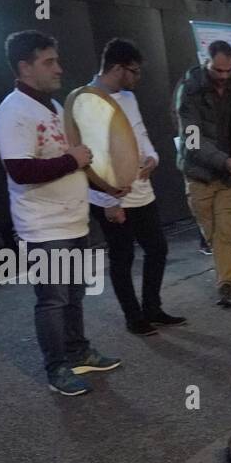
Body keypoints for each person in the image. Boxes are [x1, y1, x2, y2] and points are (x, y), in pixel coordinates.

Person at [0, 30, 122, 396]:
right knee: (53, 300)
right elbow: (20, 170)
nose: (58, 69)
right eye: (49, 62)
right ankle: (56, 368)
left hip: (73, 219)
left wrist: (108, 193)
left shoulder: (55, 107)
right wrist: (72, 159)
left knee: (75, 293)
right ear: (24, 67)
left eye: (56, 60)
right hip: (44, 226)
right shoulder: (13, 113)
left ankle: (78, 352)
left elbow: (77, 165)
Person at [87, 38, 186, 336]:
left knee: (157, 248)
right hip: (111, 196)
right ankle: (134, 316)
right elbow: (90, 159)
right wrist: (108, 202)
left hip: (141, 189)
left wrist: (153, 157)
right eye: (134, 71)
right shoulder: (87, 101)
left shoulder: (128, 97)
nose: (137, 78)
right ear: (117, 68)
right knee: (122, 256)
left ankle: (152, 307)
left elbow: (140, 134)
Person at [175, 40, 231, 307]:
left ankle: (225, 283)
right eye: (218, 70)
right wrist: (226, 161)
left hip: (227, 178)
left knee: (224, 229)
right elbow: (192, 140)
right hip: (198, 175)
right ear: (206, 62)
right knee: (211, 232)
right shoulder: (189, 92)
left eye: (228, 71)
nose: (223, 76)